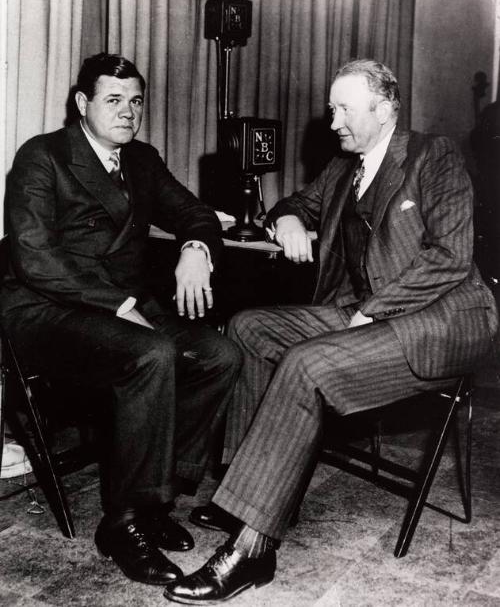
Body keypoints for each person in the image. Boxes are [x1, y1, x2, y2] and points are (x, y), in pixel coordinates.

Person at [165, 59, 499, 604]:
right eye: (331, 108)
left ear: (385, 107)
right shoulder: (346, 168)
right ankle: (250, 493)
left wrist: (374, 310)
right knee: (250, 328)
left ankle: (250, 550)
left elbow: (449, 256)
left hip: (441, 320)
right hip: (366, 311)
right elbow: (296, 202)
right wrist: (289, 219)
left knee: (307, 363)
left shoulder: (431, 156)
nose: (333, 120)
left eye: (344, 108)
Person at [0, 53, 242, 586]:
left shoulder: (141, 159)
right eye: (113, 100)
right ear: (83, 104)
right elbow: (34, 256)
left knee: (220, 354)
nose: (127, 112)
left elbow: (193, 212)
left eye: (135, 101)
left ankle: (156, 497)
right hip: (47, 310)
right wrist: (118, 304)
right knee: (152, 354)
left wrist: (197, 247)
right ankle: (123, 521)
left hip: (121, 306)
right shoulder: (44, 157)